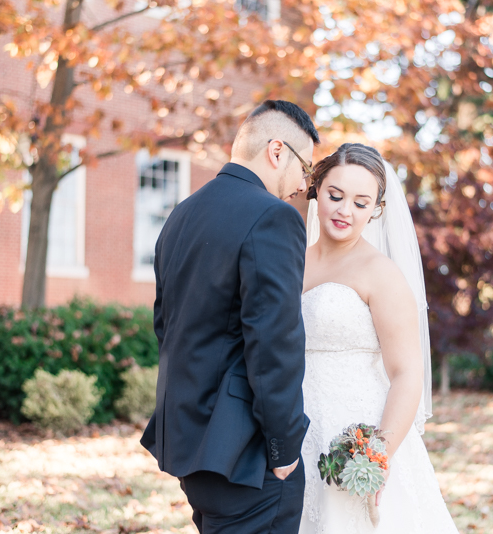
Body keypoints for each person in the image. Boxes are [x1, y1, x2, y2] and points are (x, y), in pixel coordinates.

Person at [140, 100, 319, 533]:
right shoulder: (273, 218)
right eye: (305, 168)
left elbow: (166, 325)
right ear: (277, 152)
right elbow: (274, 344)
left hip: (189, 442)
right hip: (247, 456)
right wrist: (283, 450)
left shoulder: (181, 215)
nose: (302, 185)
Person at [298, 143, 459, 533]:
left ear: (376, 210)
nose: (344, 211)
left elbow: (406, 372)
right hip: (296, 431)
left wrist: (377, 455)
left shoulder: (380, 273)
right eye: (335, 195)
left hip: (355, 439)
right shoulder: (291, 258)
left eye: (360, 202)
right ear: (317, 189)